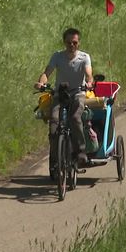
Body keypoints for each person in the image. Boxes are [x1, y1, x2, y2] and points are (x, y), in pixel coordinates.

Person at [34, 27, 93, 176]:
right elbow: (47, 73)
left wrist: (89, 82)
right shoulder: (57, 56)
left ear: (78, 43)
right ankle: (56, 159)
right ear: (64, 42)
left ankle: (80, 151)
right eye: (68, 43)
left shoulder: (84, 57)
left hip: (78, 93)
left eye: (74, 43)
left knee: (75, 118)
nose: (71, 45)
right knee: (54, 123)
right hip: (60, 94)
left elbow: (88, 74)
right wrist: (41, 82)